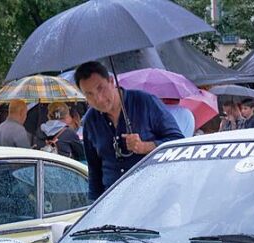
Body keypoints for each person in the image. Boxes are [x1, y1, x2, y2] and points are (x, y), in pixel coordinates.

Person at [74, 60, 184, 200]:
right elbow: (94, 169)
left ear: (111, 81)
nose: (98, 99)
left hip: (157, 197)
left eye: (100, 88)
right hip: (114, 202)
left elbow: (178, 142)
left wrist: (146, 146)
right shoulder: (90, 121)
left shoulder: (145, 102)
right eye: (89, 94)